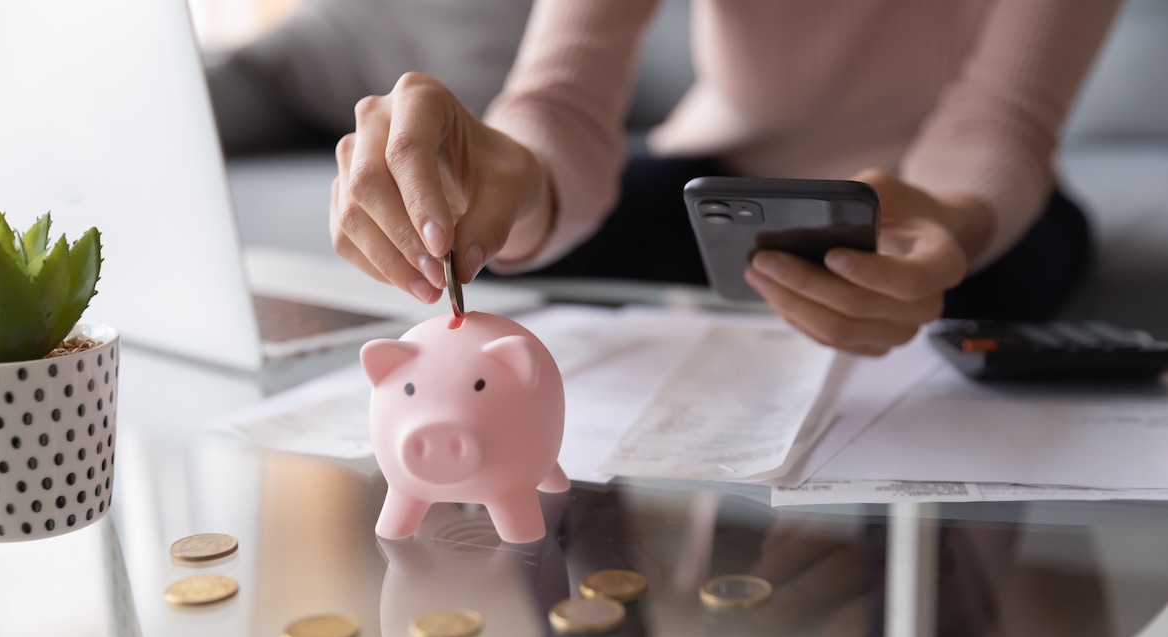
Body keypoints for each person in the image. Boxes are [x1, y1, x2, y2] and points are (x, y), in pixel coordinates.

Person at [329, 0, 1121, 356]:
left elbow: (1003, 118)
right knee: (531, 263)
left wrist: (952, 224)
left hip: (957, 200)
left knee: (980, 296)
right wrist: (512, 177)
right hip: (723, 179)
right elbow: (563, 99)